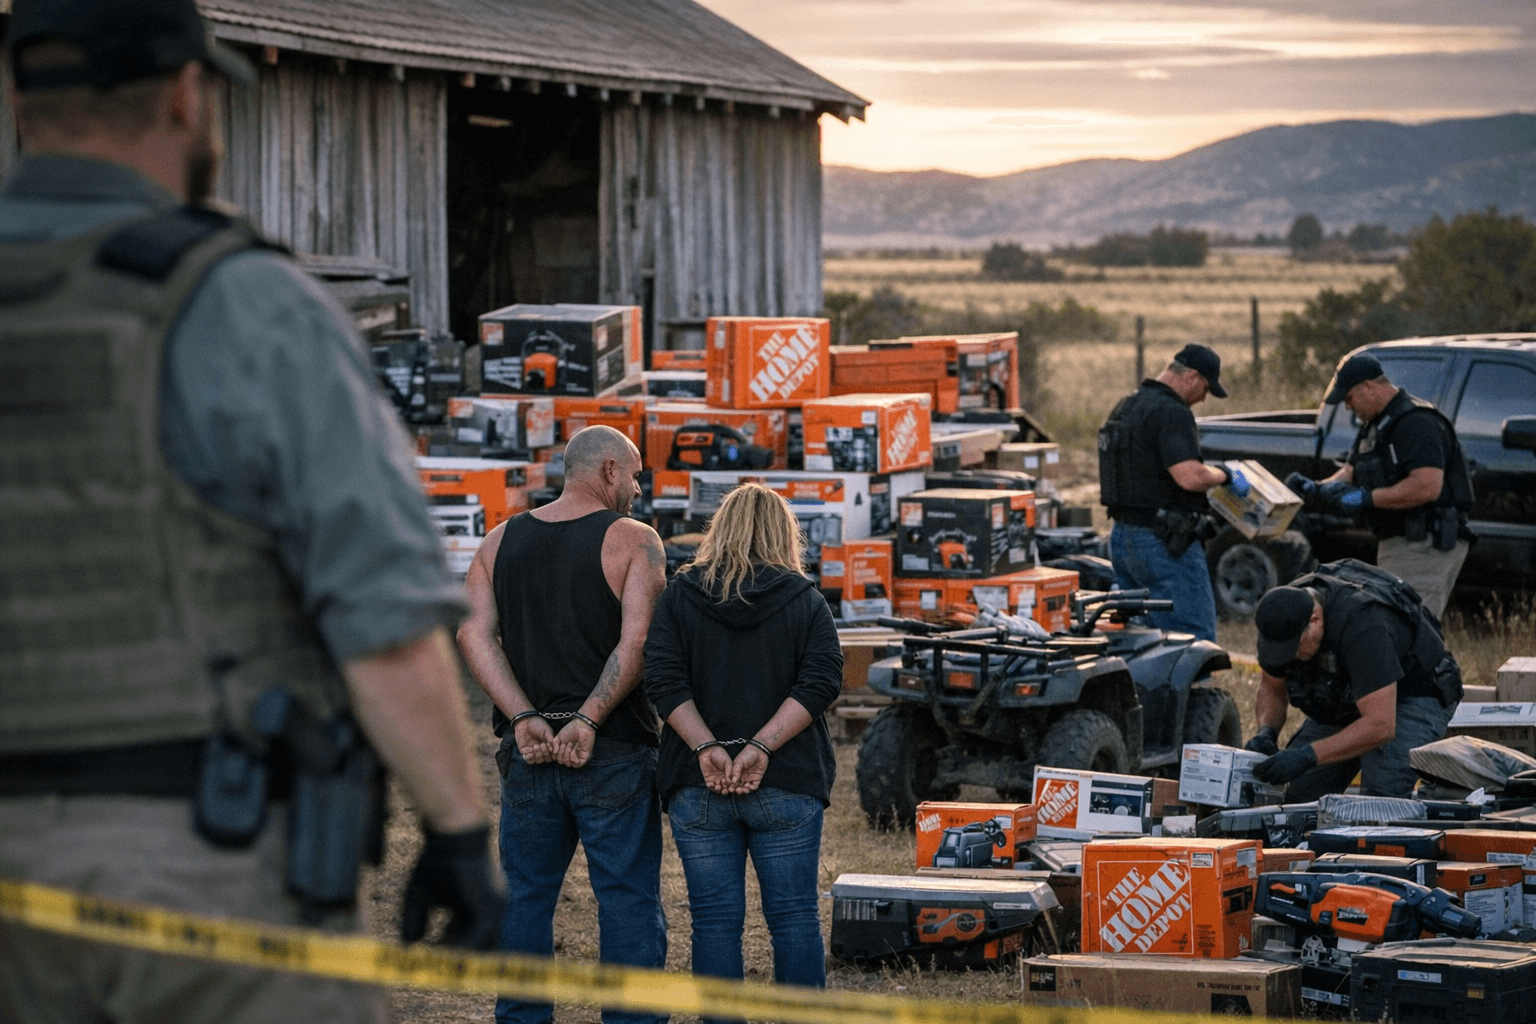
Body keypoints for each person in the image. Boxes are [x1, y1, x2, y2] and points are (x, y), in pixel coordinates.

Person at [0, 1, 502, 1021]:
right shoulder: (240, 304)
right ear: (189, 96)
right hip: (200, 870)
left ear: (17, 98)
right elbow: (386, 621)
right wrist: (455, 833)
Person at [456, 424, 669, 1024]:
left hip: (528, 755)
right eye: (631, 474)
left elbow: (472, 632)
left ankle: (521, 1016)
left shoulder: (499, 540)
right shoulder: (634, 539)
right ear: (606, 471)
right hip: (616, 751)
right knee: (626, 898)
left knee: (524, 898)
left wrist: (524, 717)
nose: (635, 486)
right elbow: (640, 641)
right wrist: (589, 718)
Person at [642, 483, 843, 1010]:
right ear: (784, 533)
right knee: (795, 915)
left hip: (697, 782)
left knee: (713, 920)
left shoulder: (679, 596)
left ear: (720, 529)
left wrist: (706, 748)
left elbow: (662, 681)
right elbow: (821, 683)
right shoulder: (806, 600)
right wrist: (762, 747)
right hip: (790, 780)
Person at [1244, 559, 1463, 800]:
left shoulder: (1363, 625)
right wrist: (1266, 733)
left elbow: (1380, 725)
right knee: (1298, 792)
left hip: (1412, 693)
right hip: (1347, 694)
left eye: (1294, 648)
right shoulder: (1280, 621)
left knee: (1380, 797)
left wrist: (1308, 755)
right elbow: (1272, 688)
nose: (1291, 657)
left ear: (1315, 620)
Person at [1286, 351, 1475, 620]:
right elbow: (1353, 470)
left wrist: (1367, 499)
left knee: (1410, 629)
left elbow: (1426, 486)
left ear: (1369, 387)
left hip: (1425, 543)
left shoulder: (1415, 422)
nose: (1348, 407)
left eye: (1349, 398)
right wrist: (1317, 489)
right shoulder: (1377, 424)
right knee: (1395, 625)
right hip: (1400, 540)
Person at [1098, 342, 1247, 640]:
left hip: (1123, 538)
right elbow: (1190, 477)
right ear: (1191, 376)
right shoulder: (1171, 411)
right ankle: (1193, 690)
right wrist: (1225, 475)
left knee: (1142, 641)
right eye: (1206, 387)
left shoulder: (1126, 405)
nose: (1204, 398)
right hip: (1164, 543)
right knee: (1192, 640)